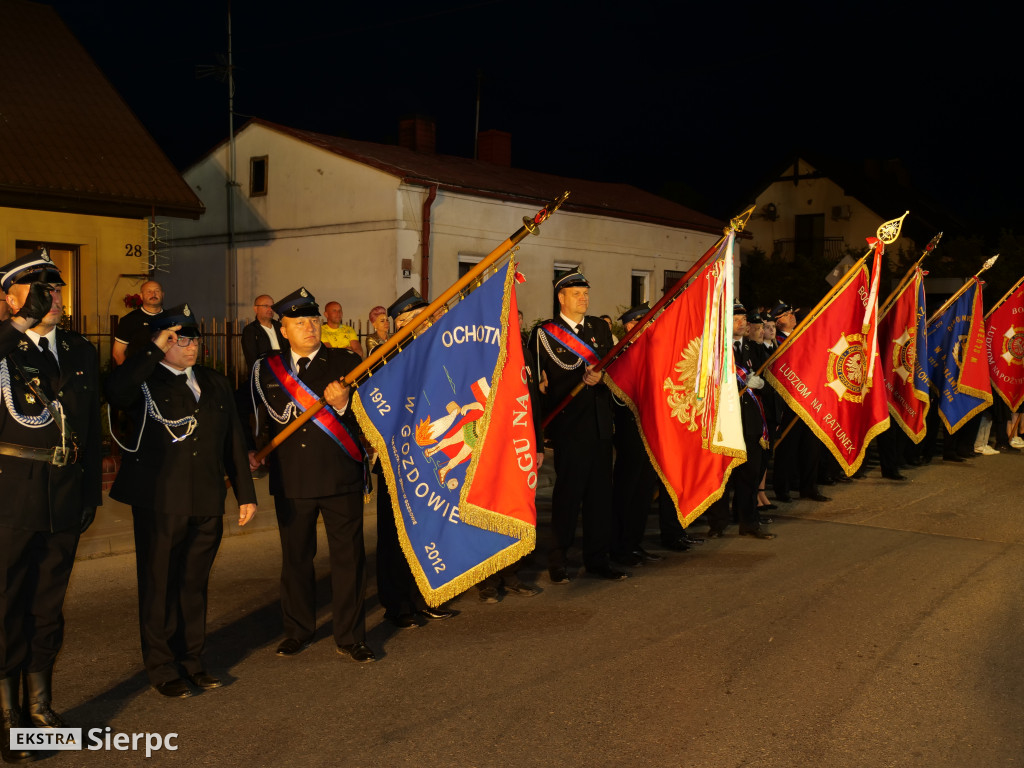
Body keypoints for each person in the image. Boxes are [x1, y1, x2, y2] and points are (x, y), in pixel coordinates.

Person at [105, 305, 257, 698]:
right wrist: (153, 350)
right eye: (179, 339)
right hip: (160, 501)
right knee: (159, 586)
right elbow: (116, 392)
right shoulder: (144, 380)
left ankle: (192, 661)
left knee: (193, 585)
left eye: (193, 339)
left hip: (206, 498)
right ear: (162, 342)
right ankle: (161, 667)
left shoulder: (214, 381)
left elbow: (233, 441)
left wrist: (246, 493)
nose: (191, 346)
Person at [0, 249, 100, 763]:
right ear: (11, 296)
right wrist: (15, 325)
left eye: (57, 289)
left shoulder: (80, 351)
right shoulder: (0, 348)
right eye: (41, 289)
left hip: (63, 490)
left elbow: (91, 431)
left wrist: (88, 493)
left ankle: (40, 709)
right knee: (6, 602)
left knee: (47, 604)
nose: (55, 297)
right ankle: (7, 718)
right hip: (10, 493)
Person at [250, 287, 377, 662]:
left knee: (348, 560)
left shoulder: (344, 363)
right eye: (299, 322)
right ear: (283, 329)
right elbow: (254, 417)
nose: (309, 327)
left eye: (314, 320)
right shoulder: (265, 368)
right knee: (296, 560)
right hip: (292, 480)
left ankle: (350, 636)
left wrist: (346, 404)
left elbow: (373, 419)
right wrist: (252, 452)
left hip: (340, 478)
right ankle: (298, 630)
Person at [530, 268, 626, 583]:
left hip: (600, 426)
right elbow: (539, 383)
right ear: (561, 297)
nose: (583, 298)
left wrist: (603, 377)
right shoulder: (545, 333)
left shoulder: (599, 327)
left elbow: (615, 368)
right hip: (570, 428)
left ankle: (598, 559)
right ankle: (558, 560)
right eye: (576, 293)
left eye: (585, 293)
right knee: (568, 497)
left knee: (600, 497)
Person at [374, 289, 456, 626]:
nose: (420, 325)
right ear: (398, 325)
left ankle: (429, 596)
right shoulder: (384, 357)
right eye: (410, 321)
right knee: (394, 534)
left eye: (424, 318)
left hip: (432, 456)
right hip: (397, 458)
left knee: (432, 529)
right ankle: (397, 604)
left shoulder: (441, 351)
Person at [706, 303, 775, 539]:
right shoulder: (718, 351)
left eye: (743, 318)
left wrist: (762, 385)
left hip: (751, 422)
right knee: (722, 475)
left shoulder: (754, 350)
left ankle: (749, 522)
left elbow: (767, 383)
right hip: (726, 421)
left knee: (749, 475)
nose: (742, 322)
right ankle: (718, 523)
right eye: (736, 318)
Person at [609, 302, 663, 567]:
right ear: (630, 326)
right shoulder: (621, 353)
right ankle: (618, 545)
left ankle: (634, 542)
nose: (648, 327)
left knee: (643, 490)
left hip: (651, 428)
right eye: (642, 322)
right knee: (626, 489)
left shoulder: (654, 352)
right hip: (630, 428)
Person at [769, 300, 829, 503]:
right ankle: (782, 488)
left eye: (791, 313)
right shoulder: (778, 342)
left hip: (809, 400)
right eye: (785, 315)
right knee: (788, 447)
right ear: (777, 322)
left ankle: (809, 487)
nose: (791, 316)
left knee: (811, 447)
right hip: (789, 402)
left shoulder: (805, 338)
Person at [112, 280, 165, 365]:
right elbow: (117, 353)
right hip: (140, 373)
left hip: (167, 375)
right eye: (149, 291)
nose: (153, 294)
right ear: (141, 296)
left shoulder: (171, 318)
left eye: (157, 291)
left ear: (163, 294)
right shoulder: (129, 320)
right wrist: (130, 374)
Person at [241, 294, 289, 372]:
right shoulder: (250, 330)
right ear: (256, 309)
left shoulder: (280, 327)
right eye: (266, 306)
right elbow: (251, 358)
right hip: (264, 373)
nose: (270, 309)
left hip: (285, 371)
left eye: (272, 306)